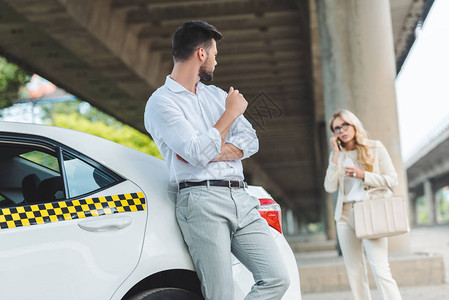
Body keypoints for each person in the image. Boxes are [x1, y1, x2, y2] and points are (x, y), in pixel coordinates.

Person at [144, 20, 289, 300]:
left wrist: (209, 148)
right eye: (214, 55)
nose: (215, 61)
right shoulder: (162, 103)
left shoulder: (216, 95)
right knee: (220, 294)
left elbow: (250, 140)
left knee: (276, 278)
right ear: (201, 54)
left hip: (241, 199)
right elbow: (197, 153)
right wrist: (231, 114)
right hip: (201, 200)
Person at [324, 109, 402, 300]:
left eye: (345, 125)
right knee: (355, 273)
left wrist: (363, 175)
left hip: (369, 212)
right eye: (336, 128)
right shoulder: (338, 155)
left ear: (354, 125)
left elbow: (392, 180)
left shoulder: (375, 147)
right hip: (344, 216)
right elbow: (329, 187)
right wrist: (335, 156)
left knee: (380, 269)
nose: (342, 130)